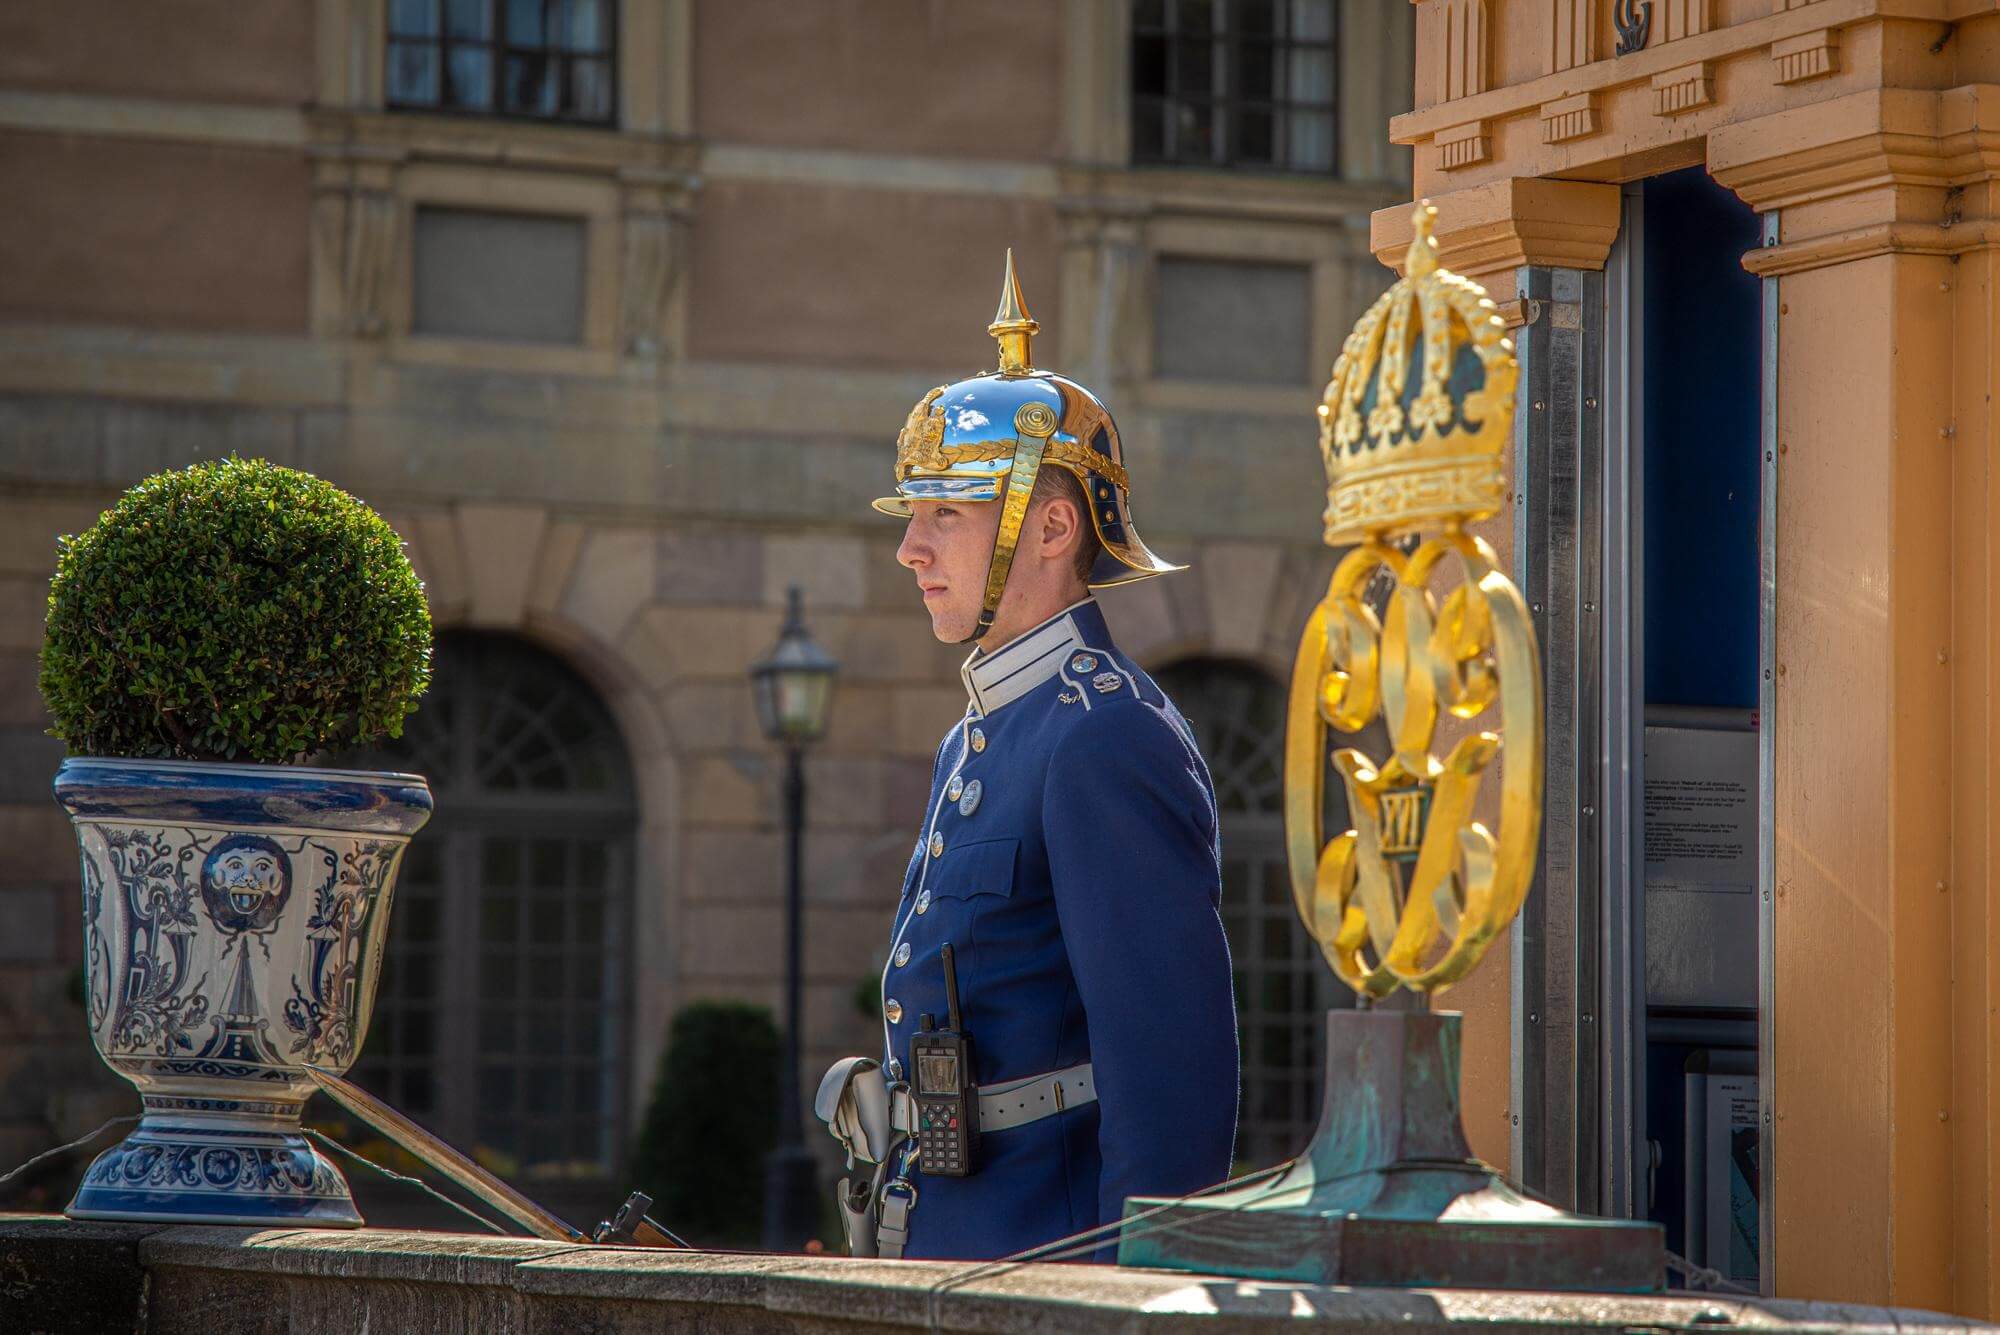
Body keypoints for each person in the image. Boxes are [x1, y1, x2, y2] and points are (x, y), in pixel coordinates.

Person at [816, 253, 1239, 1263]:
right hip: (952, 1242)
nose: (909, 548)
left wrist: (1125, 1299)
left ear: (1051, 527)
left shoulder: (1102, 734)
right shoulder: (981, 734)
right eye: (912, 517)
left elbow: (1167, 1074)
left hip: (1046, 1262)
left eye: (944, 515)